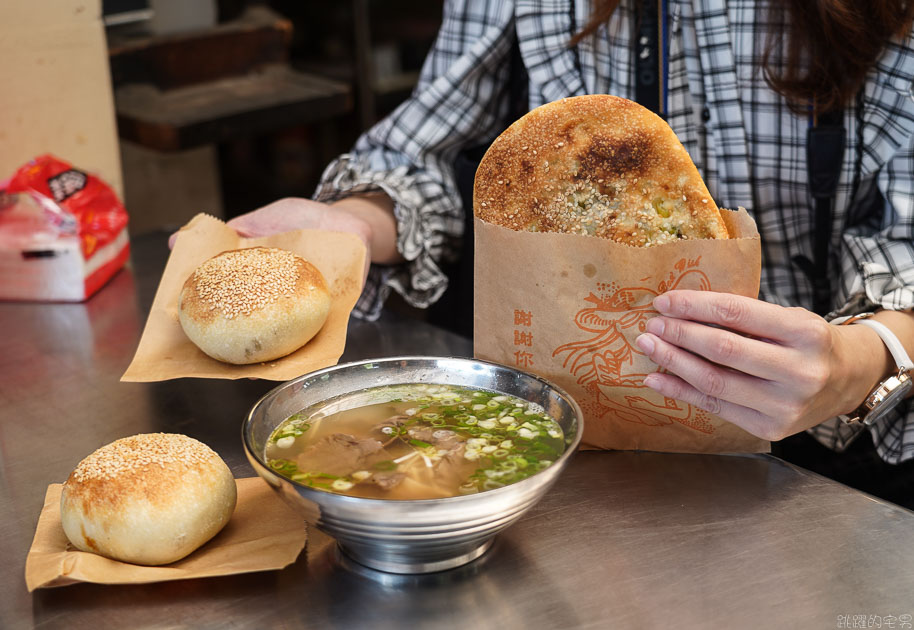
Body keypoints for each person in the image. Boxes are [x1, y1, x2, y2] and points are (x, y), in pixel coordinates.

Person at [220, 1, 914, 505]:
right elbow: (424, 150)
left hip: (827, 470)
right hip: (560, 446)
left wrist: (859, 363)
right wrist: (350, 224)